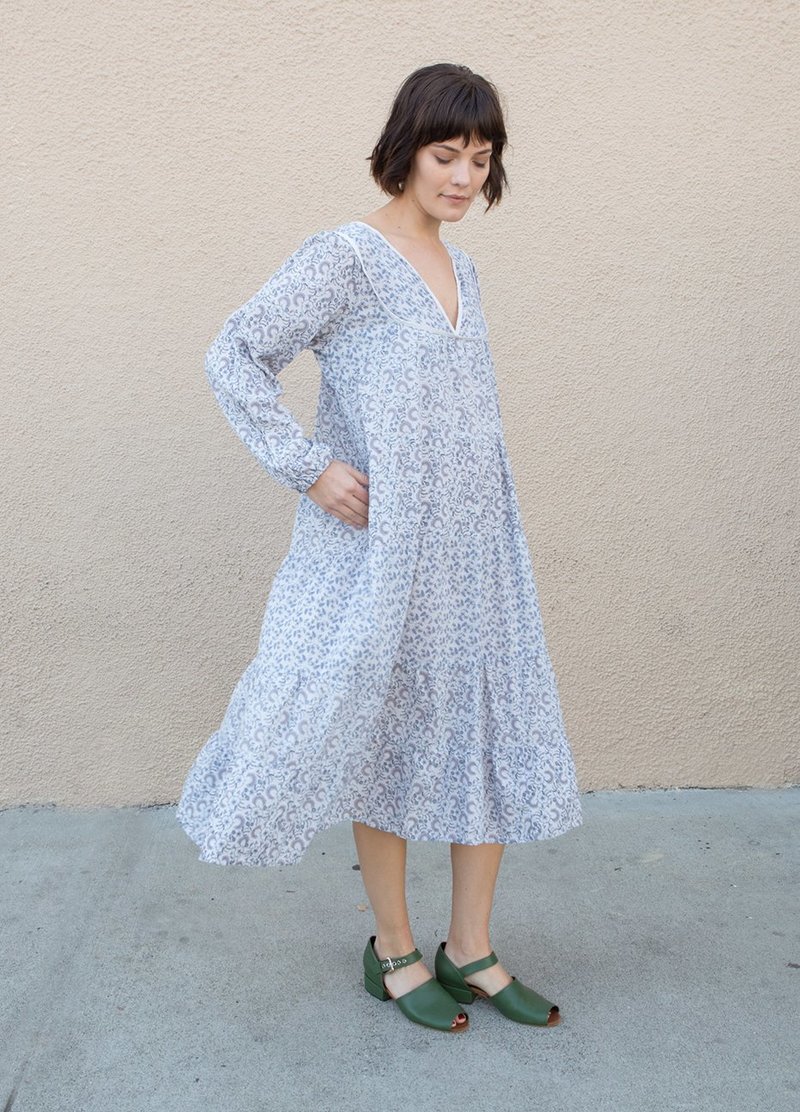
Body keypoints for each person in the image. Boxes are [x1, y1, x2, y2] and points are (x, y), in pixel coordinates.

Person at [177, 62, 583, 1034]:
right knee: (388, 734)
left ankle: (470, 946)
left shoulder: (463, 269)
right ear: (405, 149)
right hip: (382, 552)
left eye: (480, 159)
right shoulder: (346, 258)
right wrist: (309, 466)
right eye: (446, 154)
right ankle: (394, 949)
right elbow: (235, 353)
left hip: (475, 548)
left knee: (482, 728)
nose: (463, 177)